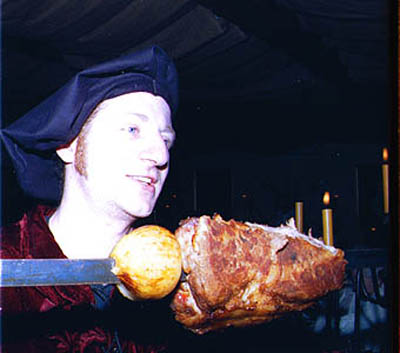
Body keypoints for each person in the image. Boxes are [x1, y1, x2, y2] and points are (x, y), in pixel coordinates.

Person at [0, 46, 179, 353]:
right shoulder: (8, 269)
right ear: (69, 145)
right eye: (133, 129)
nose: (160, 155)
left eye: (166, 139)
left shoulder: (177, 290)